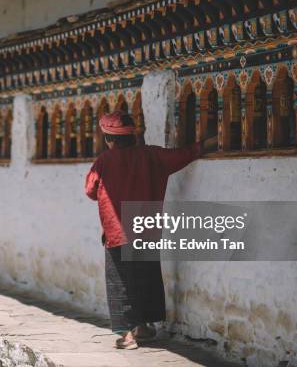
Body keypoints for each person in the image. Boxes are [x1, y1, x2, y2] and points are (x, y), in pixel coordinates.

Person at [85, 110, 217, 350]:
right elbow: (184, 154)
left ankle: (127, 337)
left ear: (109, 139)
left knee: (120, 283)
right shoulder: (152, 155)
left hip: (118, 233)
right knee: (145, 278)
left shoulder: (104, 161)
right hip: (146, 230)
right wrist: (206, 143)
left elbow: (90, 190)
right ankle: (144, 327)